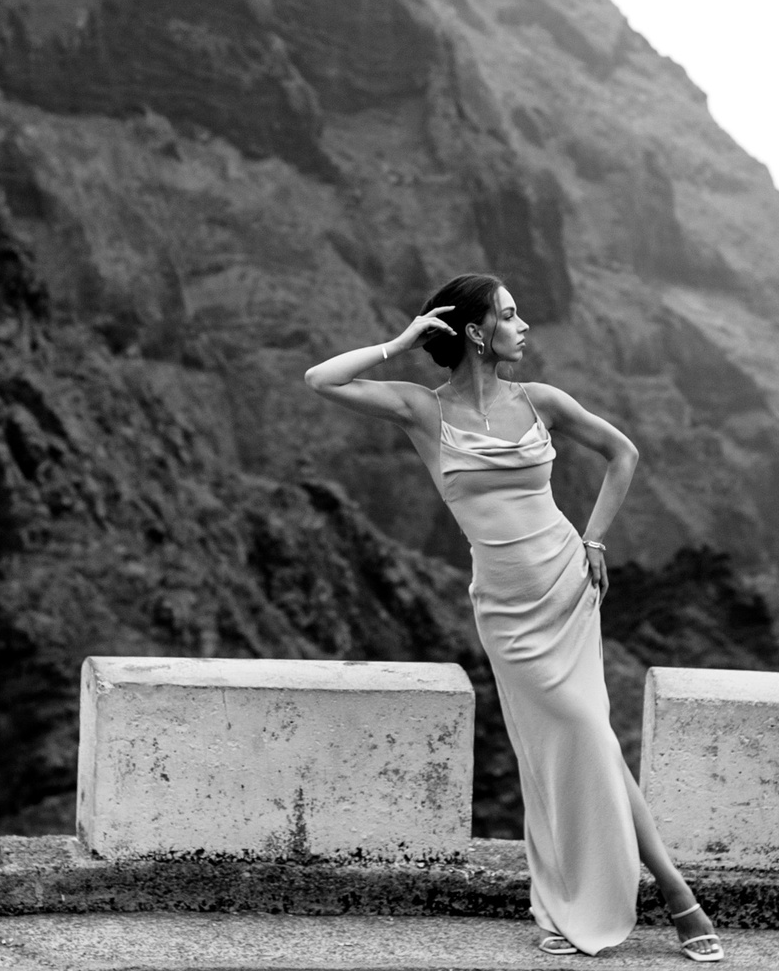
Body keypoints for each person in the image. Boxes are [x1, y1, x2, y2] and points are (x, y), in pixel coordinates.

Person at [304, 273, 723, 962]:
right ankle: (644, 897)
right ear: (476, 333)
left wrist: (593, 538)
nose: (524, 326)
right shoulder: (422, 411)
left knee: (590, 735)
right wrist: (402, 340)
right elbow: (323, 379)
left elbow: (624, 455)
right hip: (505, 608)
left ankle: (676, 895)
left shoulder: (542, 401)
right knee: (566, 747)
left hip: (565, 584)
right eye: (508, 314)